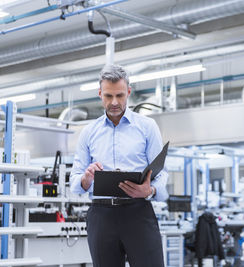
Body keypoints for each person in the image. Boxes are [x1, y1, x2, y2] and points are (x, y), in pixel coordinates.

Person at [70, 64, 168, 267]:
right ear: (99, 94)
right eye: (108, 96)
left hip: (138, 213)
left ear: (129, 93)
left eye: (120, 96)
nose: (114, 102)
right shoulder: (89, 132)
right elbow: (75, 180)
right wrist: (86, 178)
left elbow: (161, 174)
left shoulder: (147, 127)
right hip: (101, 216)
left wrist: (149, 189)